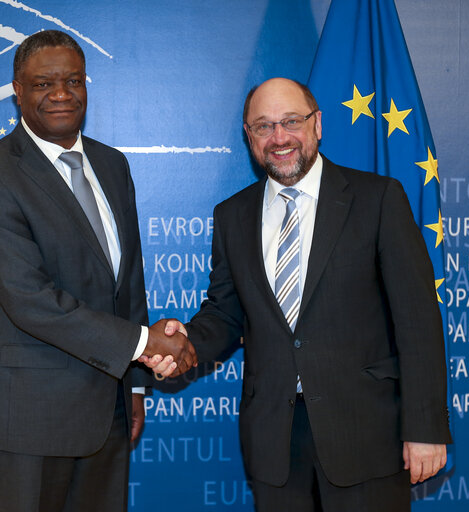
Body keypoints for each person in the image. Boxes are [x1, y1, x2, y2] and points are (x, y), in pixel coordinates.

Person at [147, 78, 452, 511]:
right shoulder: (233, 215)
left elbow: (417, 322)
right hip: (275, 443)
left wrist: (425, 427)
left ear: (317, 124)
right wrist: (187, 342)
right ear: (249, 136)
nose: (279, 138)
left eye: (291, 121)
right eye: (263, 126)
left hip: (366, 436)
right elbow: (226, 315)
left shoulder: (377, 199)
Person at [0, 30, 195, 512]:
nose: (61, 93)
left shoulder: (112, 165)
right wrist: (144, 343)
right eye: (43, 83)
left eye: (72, 80)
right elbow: (31, 300)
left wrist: (133, 382)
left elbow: (126, 282)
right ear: (17, 91)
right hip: (28, 419)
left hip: (106, 411)